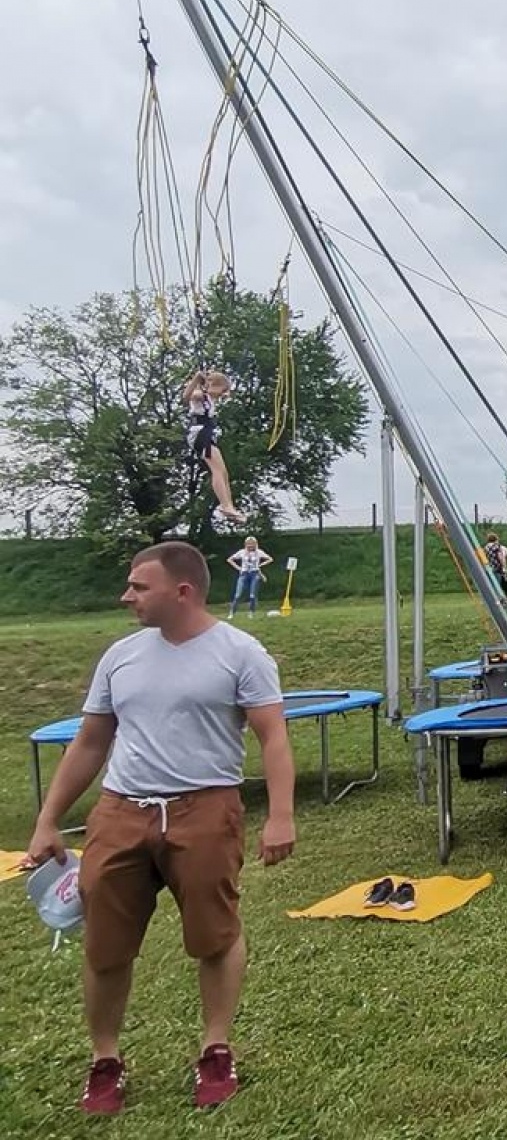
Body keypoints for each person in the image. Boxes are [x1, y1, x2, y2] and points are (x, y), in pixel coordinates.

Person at [24, 541, 294, 1114]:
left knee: (215, 935)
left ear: (183, 591)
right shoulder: (120, 656)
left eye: (138, 587)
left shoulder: (240, 653)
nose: (127, 596)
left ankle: (216, 1050)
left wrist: (280, 816)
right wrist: (48, 821)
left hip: (205, 809)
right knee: (104, 945)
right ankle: (105, 1061)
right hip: (121, 811)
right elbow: (90, 742)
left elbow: (273, 735)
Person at [183, 369, 247, 524]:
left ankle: (229, 506)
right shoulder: (200, 395)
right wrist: (196, 380)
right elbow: (187, 396)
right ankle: (225, 505)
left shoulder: (211, 398)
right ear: (212, 386)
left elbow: (224, 394)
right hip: (199, 434)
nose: (223, 393)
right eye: (222, 389)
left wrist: (223, 391)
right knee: (217, 470)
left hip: (206, 436)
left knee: (223, 472)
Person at [226, 536, 273, 619]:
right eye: (249, 544)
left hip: (254, 573)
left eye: (252, 544)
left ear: (255, 544)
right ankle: (232, 613)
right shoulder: (242, 552)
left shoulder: (259, 552)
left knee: (252, 595)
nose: (250, 545)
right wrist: (238, 568)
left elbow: (270, 559)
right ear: (246, 544)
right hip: (244, 573)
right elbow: (230, 559)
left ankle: (251, 612)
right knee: (238, 594)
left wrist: (260, 565)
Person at [483, 532, 507, 600]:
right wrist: (505, 567)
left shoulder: (485, 547)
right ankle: (501, 599)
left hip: (490, 568)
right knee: (501, 585)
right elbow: (500, 557)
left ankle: (494, 598)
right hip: (498, 568)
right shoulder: (496, 546)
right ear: (496, 539)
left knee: (493, 584)